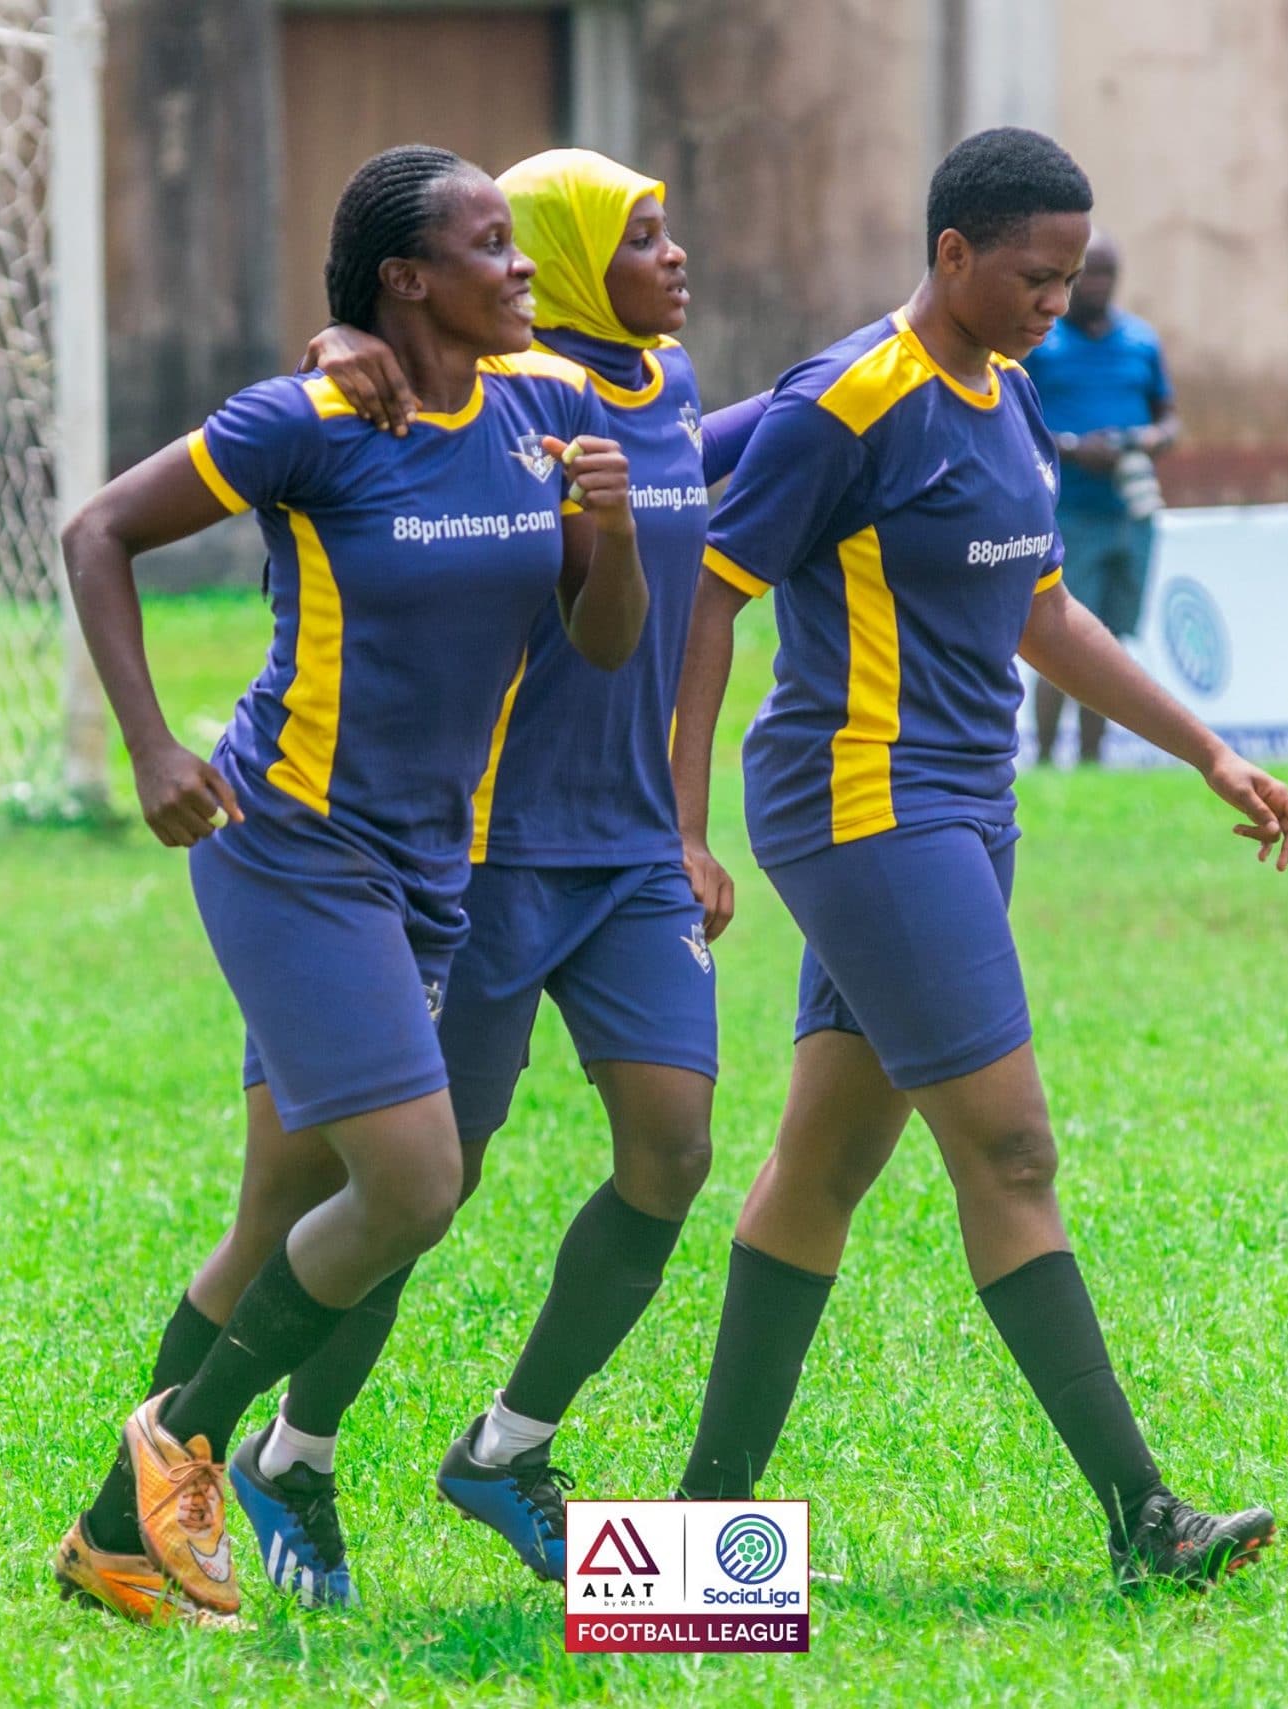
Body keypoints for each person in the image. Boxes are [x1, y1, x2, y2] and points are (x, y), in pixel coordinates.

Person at [667, 128, 1288, 1591]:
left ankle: (697, 1552)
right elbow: (711, 593)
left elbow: (1044, 613)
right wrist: (681, 827)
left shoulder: (1012, 395)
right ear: (951, 253)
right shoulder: (848, 402)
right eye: (1034, 276)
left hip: (963, 806)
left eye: (1070, 277)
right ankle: (1144, 1518)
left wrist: (1205, 750)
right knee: (1012, 1150)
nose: (1055, 303)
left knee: (823, 1163)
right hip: (862, 803)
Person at [48, 144, 647, 1627]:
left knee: (281, 1211)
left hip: (427, 868)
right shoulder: (309, 418)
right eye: (490, 244)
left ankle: (115, 1539)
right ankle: (188, 1446)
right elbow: (98, 530)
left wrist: (615, 529)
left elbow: (606, 641)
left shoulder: (548, 409)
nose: (523, 265)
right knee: (415, 1183)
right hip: (290, 846)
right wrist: (151, 745)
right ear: (406, 279)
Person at [215, 149, 768, 1602]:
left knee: (674, 1150)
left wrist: (690, 823)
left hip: (630, 849)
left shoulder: (665, 388)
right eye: (639, 234)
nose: (674, 255)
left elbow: (715, 549)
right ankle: (290, 1450)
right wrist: (332, 344)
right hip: (482, 848)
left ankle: (506, 1446)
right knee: (416, 1186)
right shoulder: (507, 382)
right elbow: (376, 398)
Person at [1022, 227, 1176, 766]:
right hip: (1067, 515)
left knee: (1110, 643)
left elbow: (1168, 419)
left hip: (1129, 513)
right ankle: (1045, 757)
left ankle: (1093, 758)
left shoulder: (1140, 342)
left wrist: (1148, 440)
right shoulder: (1042, 344)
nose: (1098, 285)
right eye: (1089, 274)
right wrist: (1071, 448)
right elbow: (1014, 422)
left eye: (1109, 274)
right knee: (1060, 642)